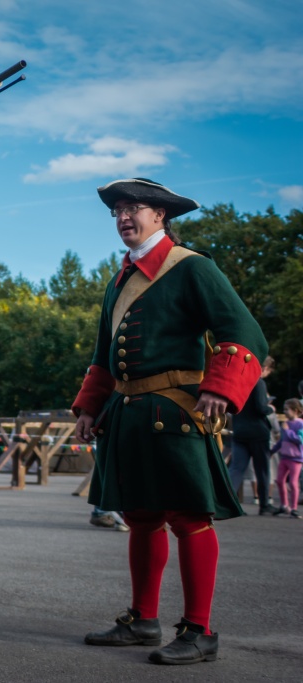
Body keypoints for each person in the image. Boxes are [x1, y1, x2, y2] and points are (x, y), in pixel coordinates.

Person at [73, 178, 268, 666]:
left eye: (133, 208)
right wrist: (89, 407)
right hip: (128, 414)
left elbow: (244, 332)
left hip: (175, 413)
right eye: (118, 210)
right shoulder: (119, 280)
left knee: (188, 518)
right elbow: (103, 355)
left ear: (161, 215)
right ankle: (143, 620)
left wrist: (220, 386)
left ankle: (200, 631)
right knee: (140, 516)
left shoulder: (192, 267)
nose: (123, 217)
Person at [227, 357, 276, 513]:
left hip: (239, 430)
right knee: (262, 470)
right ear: (264, 368)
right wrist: (271, 408)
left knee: (236, 469)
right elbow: (261, 408)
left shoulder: (239, 381)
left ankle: (226, 504)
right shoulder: (258, 382)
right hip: (258, 432)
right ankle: (264, 505)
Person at [271, 398, 303, 518]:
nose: (284, 412)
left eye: (287, 409)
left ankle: (294, 508)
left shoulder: (300, 424)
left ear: (295, 411)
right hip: (284, 457)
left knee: (293, 483)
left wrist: (288, 431)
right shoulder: (286, 424)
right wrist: (272, 451)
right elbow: (281, 441)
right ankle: (284, 505)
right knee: (280, 481)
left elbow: (299, 440)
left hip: (295, 459)